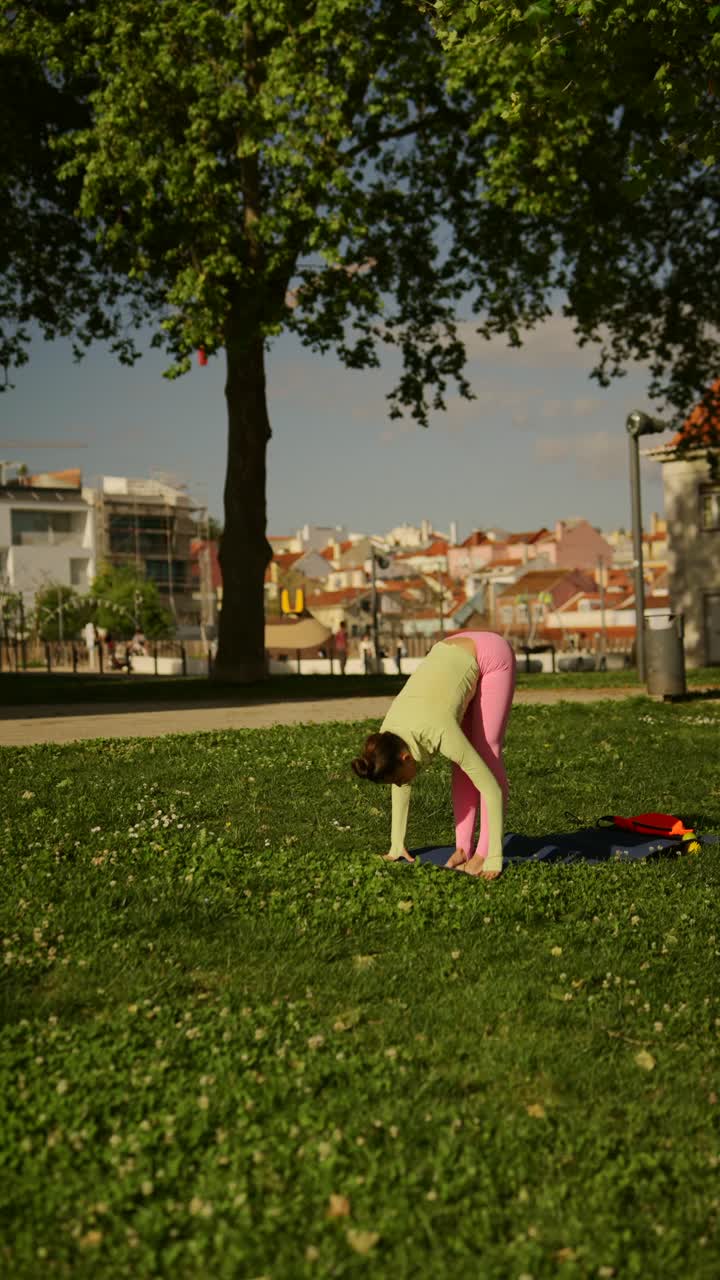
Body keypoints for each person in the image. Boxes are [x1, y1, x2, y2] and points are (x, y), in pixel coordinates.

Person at [351, 631, 516, 878]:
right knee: (461, 763)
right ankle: (463, 849)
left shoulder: (439, 730)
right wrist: (397, 844)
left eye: (399, 779)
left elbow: (492, 788)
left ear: (406, 758)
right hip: (453, 652)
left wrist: (493, 857)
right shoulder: (388, 739)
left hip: (490, 655)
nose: (400, 784)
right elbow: (397, 778)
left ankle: (482, 853)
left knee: (485, 755)